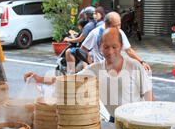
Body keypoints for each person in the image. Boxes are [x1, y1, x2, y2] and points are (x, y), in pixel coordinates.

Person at [25, 27, 154, 119]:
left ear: (121, 46)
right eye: (106, 47)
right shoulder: (95, 69)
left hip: (139, 120)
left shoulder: (135, 66)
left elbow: (150, 99)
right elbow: (69, 79)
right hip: (115, 123)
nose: (110, 52)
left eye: (114, 47)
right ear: (100, 47)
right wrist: (38, 78)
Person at [80, 12, 151, 72]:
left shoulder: (120, 33)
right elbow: (83, 49)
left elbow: (129, 50)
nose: (118, 28)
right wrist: (91, 64)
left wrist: (141, 62)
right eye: (114, 26)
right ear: (106, 25)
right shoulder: (95, 33)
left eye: (119, 25)